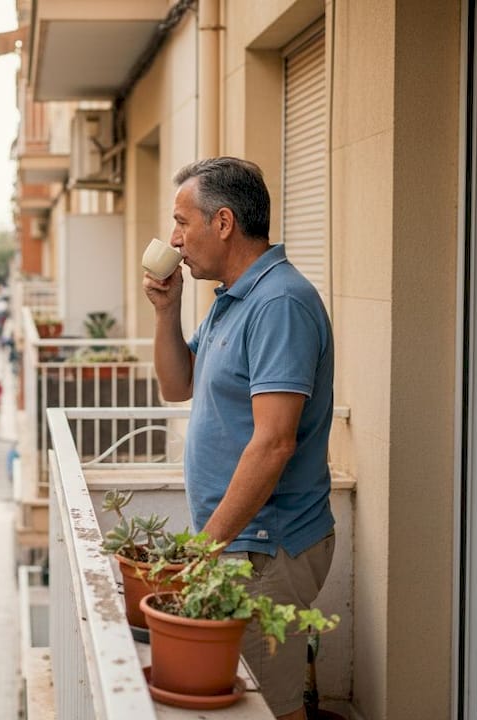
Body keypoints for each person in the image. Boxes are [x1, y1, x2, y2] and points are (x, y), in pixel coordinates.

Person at [143, 157, 335, 720]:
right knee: (247, 699)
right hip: (238, 543)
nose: (174, 241)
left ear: (222, 223)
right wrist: (167, 310)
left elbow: (275, 443)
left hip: (264, 549)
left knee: (272, 710)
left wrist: (206, 548)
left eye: (182, 222)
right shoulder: (234, 298)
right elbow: (177, 385)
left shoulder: (279, 304)